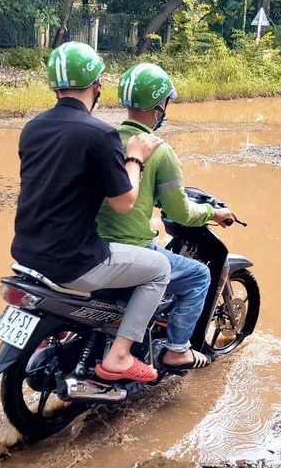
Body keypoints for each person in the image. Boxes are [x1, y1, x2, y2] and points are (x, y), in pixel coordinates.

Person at [12, 43, 170, 383]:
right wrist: (135, 157)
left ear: (55, 86)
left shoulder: (33, 128)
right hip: (73, 261)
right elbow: (124, 202)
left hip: (25, 255)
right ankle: (119, 356)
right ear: (97, 85)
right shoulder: (99, 134)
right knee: (160, 268)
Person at [97, 63, 237, 370]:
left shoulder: (104, 139)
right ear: (160, 106)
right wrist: (214, 213)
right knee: (199, 276)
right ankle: (177, 349)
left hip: (91, 246)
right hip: (130, 247)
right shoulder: (160, 151)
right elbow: (180, 212)